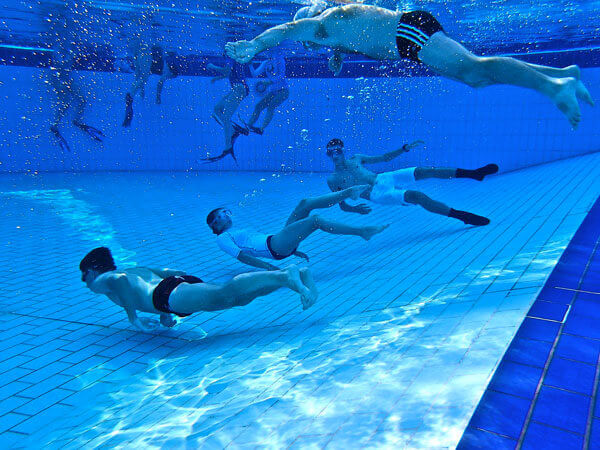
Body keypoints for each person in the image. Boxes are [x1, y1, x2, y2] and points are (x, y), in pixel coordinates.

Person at [225, 4, 594, 128]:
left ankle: (553, 89)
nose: (308, 45)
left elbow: (287, 31)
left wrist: (254, 44)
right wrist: (338, 54)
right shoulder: (336, 32)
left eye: (310, 41)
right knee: (475, 78)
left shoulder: (322, 23)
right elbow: (359, 40)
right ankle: (563, 75)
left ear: (312, 24)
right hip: (409, 39)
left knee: (475, 70)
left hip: (409, 33)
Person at [79, 247, 319, 332]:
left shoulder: (102, 280)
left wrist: (134, 320)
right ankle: (288, 280)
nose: (84, 282)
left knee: (226, 294)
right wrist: (164, 312)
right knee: (235, 299)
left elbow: (121, 281)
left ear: (91, 270)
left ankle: (284, 274)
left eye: (84, 276)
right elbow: (164, 273)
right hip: (171, 289)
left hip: (167, 294)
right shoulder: (136, 269)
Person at [207, 185, 389, 271]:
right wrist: (271, 268)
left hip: (278, 242)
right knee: (315, 220)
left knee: (305, 204)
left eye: (225, 211)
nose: (226, 214)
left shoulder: (234, 231)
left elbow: (252, 245)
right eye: (221, 214)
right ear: (216, 224)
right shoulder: (222, 238)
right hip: (274, 247)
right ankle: (362, 232)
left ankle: (348, 192)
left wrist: (293, 250)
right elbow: (243, 257)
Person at [325, 138, 497, 226]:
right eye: (331, 152)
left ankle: (474, 173)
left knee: (426, 170)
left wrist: (404, 149)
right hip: (378, 194)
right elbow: (342, 205)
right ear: (327, 154)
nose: (335, 155)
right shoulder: (333, 180)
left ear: (343, 151)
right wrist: (355, 209)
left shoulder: (357, 158)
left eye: (338, 151)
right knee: (418, 196)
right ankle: (461, 216)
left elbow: (384, 158)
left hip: (384, 178)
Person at [48, 41, 104, 152]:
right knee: (65, 102)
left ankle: (77, 121)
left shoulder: (71, 46)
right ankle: (55, 125)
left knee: (82, 101)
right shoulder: (60, 46)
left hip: (67, 78)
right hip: (57, 77)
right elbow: (58, 63)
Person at [201, 59, 251, 163]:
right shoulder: (235, 56)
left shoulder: (230, 56)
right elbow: (231, 73)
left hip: (239, 89)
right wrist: (218, 78)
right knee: (217, 109)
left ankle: (228, 145)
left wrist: (212, 66)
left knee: (226, 117)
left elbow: (227, 71)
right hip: (238, 88)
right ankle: (233, 130)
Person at [122, 43, 181, 127]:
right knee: (143, 77)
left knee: (140, 77)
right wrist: (158, 97)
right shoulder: (169, 72)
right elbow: (160, 82)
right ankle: (130, 96)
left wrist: (142, 91)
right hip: (146, 54)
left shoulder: (163, 64)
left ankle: (130, 96)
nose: (170, 78)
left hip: (141, 53)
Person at [243, 53, 289, 135]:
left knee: (271, 106)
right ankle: (248, 126)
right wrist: (250, 65)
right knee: (258, 106)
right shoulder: (266, 63)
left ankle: (261, 128)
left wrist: (269, 82)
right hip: (273, 91)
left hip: (283, 90)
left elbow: (281, 76)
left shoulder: (280, 60)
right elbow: (255, 74)